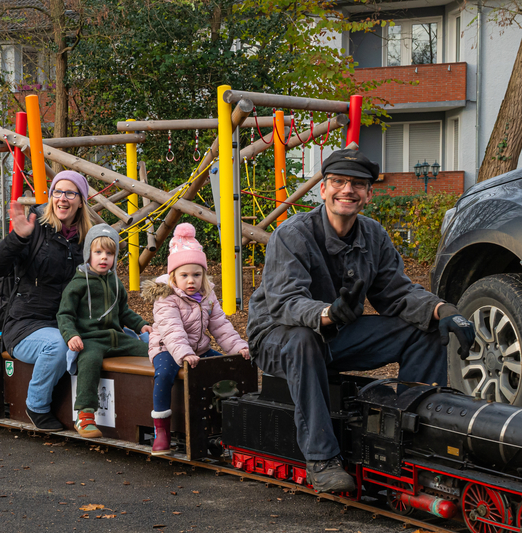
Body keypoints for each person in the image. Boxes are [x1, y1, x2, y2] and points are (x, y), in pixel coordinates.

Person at [246, 149, 476, 493]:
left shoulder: (373, 235)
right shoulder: (293, 234)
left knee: (424, 331)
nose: (347, 190)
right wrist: (328, 313)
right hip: (277, 337)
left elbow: (396, 292)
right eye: (338, 182)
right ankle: (322, 459)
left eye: (357, 184)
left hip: (336, 335)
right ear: (323, 189)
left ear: (368, 193)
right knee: (303, 339)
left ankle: (415, 440)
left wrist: (443, 310)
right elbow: (286, 303)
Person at [0, 170, 93, 432]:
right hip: (26, 324)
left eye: (70, 193)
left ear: (81, 201)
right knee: (57, 346)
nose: (62, 198)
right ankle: (37, 405)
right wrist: (18, 237)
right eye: (58, 192)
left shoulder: (87, 240)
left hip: (67, 323)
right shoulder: (35, 230)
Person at [142, 223, 249, 455]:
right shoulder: (166, 297)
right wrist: (184, 354)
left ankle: (224, 424)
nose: (191, 280)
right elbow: (172, 330)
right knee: (165, 374)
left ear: (204, 275)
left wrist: (238, 347)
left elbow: (220, 325)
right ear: (173, 276)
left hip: (197, 349)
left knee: (226, 368)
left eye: (196, 275)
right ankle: (161, 430)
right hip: (167, 348)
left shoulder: (207, 295)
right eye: (184, 275)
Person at [57, 224, 152, 438]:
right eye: (98, 252)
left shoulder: (115, 282)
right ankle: (85, 415)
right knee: (89, 361)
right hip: (91, 340)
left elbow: (123, 311)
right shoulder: (77, 284)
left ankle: (151, 406)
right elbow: (65, 314)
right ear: (87, 254)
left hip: (116, 339)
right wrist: (71, 335)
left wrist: (141, 325)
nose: (103, 257)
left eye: (109, 253)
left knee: (152, 350)